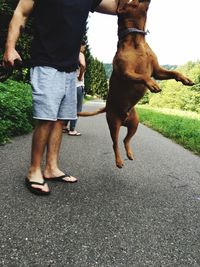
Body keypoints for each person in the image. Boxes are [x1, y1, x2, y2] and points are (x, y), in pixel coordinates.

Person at [2, 0, 118, 195]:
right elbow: (21, 12)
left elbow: (118, 7)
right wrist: (10, 47)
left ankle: (51, 167)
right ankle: (33, 170)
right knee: (46, 118)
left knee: (61, 120)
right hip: (45, 63)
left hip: (69, 68)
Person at [63, 43, 86, 136]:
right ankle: (72, 130)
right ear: (80, 45)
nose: (85, 48)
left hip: (68, 85)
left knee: (68, 106)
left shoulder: (70, 54)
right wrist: (80, 76)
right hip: (78, 85)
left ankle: (64, 127)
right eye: (84, 46)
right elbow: (83, 65)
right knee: (77, 109)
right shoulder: (80, 54)